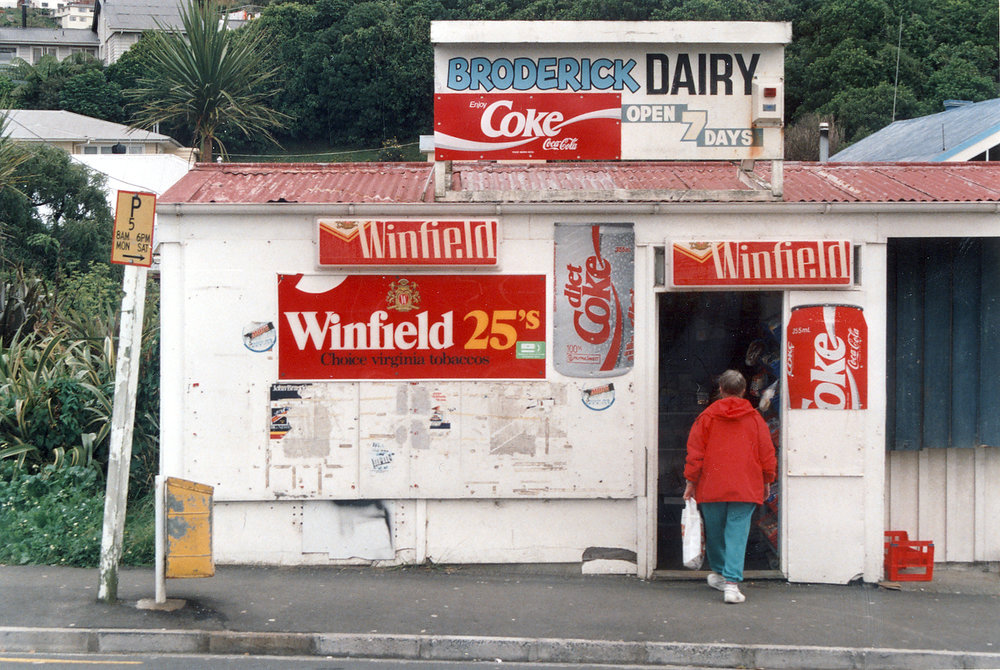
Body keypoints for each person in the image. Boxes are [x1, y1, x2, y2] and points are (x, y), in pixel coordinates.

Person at [683, 369, 776, 604]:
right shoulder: (755, 419)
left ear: (721, 390)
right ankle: (731, 585)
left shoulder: (706, 417)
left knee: (715, 533)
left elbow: (695, 454)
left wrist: (690, 482)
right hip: (746, 485)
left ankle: (721, 575)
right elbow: (767, 453)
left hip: (712, 486)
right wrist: (767, 480)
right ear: (744, 391)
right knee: (737, 533)